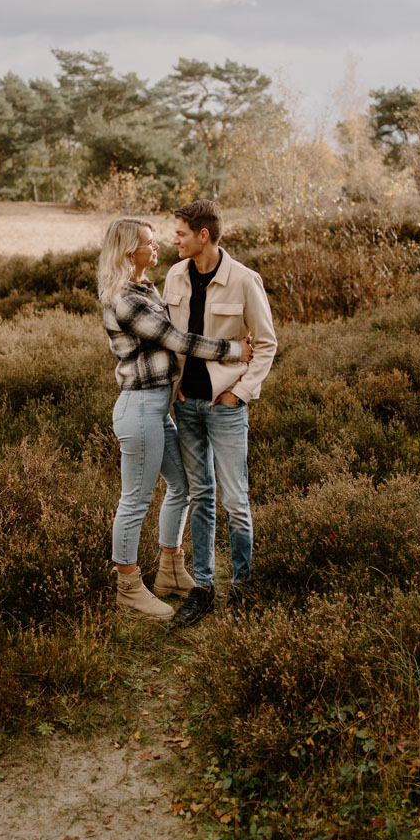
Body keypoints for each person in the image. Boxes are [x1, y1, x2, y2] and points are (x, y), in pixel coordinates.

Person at [98, 217, 253, 621]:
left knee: (182, 484)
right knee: (134, 500)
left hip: (158, 407)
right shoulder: (123, 298)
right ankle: (129, 586)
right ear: (128, 250)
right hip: (140, 408)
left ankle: (169, 569)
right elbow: (177, 339)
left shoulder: (145, 286)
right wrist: (233, 350)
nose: (157, 248)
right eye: (149, 243)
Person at [163, 199, 277, 626]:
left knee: (235, 499)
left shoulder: (244, 281)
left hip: (226, 408)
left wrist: (241, 393)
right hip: (185, 406)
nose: (174, 239)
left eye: (181, 233)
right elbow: (170, 337)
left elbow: (266, 343)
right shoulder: (174, 275)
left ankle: (243, 588)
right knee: (201, 496)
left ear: (203, 235)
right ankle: (204, 589)